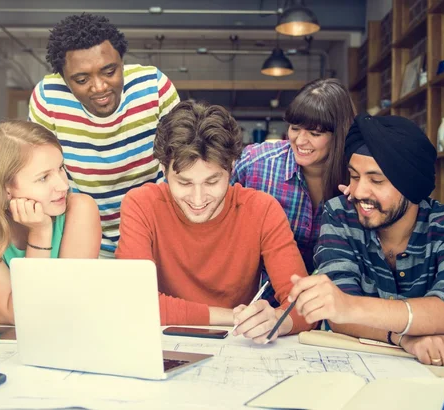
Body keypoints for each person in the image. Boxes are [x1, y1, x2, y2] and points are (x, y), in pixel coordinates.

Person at [288, 113, 444, 368]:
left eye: (376, 180)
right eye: (354, 176)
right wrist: (404, 337)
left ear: (410, 184)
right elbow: (337, 315)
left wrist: (349, 306)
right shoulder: (340, 215)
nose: (358, 192)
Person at [116, 101, 314, 343]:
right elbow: (134, 301)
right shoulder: (141, 204)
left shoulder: (262, 210)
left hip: (238, 346)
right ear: (163, 170)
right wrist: (232, 316)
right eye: (184, 183)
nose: (198, 199)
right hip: (161, 344)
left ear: (231, 168)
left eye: (212, 182)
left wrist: (277, 320)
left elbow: (304, 306)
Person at [29, 13, 179, 257]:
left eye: (109, 72)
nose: (99, 87)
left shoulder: (154, 86)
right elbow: (40, 172)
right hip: (81, 234)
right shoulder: (47, 98)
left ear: (122, 62)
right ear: (64, 79)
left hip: (155, 229)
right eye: (81, 79)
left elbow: (180, 163)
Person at [0, 120, 101, 325]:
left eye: (60, 168)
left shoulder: (80, 209)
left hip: (61, 343)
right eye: (43, 178)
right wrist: (40, 233)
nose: (63, 185)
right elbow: (25, 314)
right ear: (5, 188)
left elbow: (65, 310)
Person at [231, 78, 355, 305]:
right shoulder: (256, 163)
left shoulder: (357, 176)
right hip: (261, 306)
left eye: (315, 133)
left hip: (335, 310)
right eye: (295, 128)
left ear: (339, 134)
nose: (300, 140)